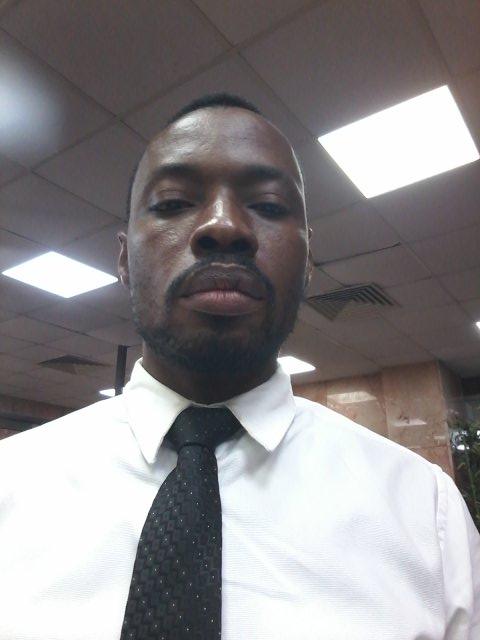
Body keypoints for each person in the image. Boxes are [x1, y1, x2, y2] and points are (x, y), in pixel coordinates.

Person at [0, 92, 478, 640]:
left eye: (269, 206)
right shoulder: (10, 484)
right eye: (174, 202)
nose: (224, 226)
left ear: (308, 262)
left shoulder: (427, 517)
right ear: (125, 259)